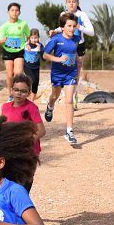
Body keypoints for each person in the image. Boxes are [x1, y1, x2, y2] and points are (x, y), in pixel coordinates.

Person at [42, 12, 81, 146]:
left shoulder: (76, 38)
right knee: (55, 95)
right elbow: (45, 55)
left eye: (73, 26)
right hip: (57, 73)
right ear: (63, 27)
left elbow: (75, 50)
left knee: (69, 100)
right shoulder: (55, 39)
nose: (71, 28)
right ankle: (50, 106)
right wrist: (58, 59)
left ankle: (69, 131)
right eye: (69, 26)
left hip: (71, 73)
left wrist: (76, 61)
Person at [51, 0, 95, 88]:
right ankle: (63, 86)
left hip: (79, 44)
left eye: (74, 1)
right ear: (66, 3)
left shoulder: (82, 15)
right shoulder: (63, 14)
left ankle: (74, 89)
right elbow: (61, 28)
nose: (71, 4)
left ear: (78, 3)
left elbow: (92, 32)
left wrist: (79, 27)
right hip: (66, 43)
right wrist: (54, 31)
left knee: (78, 65)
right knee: (66, 64)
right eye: (69, 1)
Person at [0, 74, 44, 158]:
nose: (19, 93)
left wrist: (25, 143)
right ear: (11, 90)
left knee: (26, 171)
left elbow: (41, 131)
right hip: (10, 149)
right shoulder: (5, 107)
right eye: (16, 90)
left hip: (29, 151)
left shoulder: (31, 108)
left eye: (23, 91)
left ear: (29, 93)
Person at [0, 3, 31, 92]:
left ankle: (16, 91)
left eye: (17, 10)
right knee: (10, 74)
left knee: (18, 74)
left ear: (19, 12)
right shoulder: (4, 26)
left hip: (19, 51)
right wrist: (1, 41)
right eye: (12, 10)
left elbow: (28, 35)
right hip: (8, 51)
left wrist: (28, 44)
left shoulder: (23, 24)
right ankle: (9, 93)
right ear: (8, 12)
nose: (14, 12)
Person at [24, 29, 43, 95]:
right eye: (32, 38)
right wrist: (26, 45)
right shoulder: (25, 45)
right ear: (29, 38)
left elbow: (43, 58)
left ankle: (32, 100)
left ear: (38, 38)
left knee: (36, 83)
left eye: (36, 38)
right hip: (27, 66)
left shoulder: (40, 45)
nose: (34, 40)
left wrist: (40, 50)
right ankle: (26, 94)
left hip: (36, 67)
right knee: (32, 80)